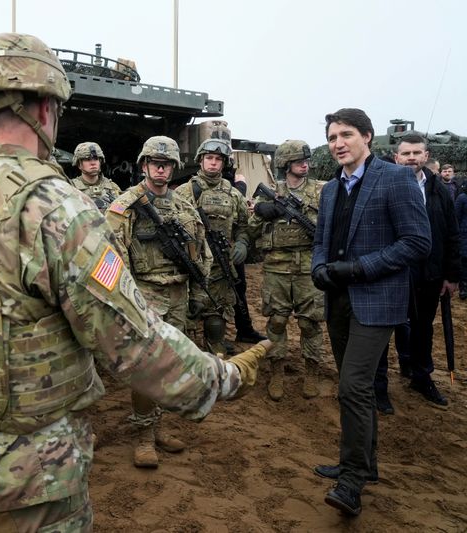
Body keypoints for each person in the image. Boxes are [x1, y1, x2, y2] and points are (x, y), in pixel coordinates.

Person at [0, 32, 271, 532]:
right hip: (31, 481)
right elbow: (133, 341)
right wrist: (225, 378)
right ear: (46, 107)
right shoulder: (52, 205)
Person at [311, 108, 431, 516]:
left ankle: (352, 482)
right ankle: (361, 463)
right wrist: (319, 268)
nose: (338, 143)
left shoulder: (395, 178)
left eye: (346, 134)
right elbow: (321, 241)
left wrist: (359, 268)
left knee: (354, 386)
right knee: (353, 387)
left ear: (367, 136)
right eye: (331, 138)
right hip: (338, 301)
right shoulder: (330, 190)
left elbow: (417, 242)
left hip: (377, 301)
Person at [105, 136, 211, 468]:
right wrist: (125, 301)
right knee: (145, 368)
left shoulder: (184, 207)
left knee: (168, 364)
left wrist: (198, 295)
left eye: (166, 165)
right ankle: (143, 435)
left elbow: (201, 254)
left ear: (174, 169)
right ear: (144, 166)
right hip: (144, 293)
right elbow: (112, 257)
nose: (161, 169)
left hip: (178, 294)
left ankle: (158, 426)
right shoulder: (125, 206)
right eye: (155, 163)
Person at [249, 140, 325, 401]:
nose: (304, 164)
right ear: (284, 164)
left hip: (308, 268)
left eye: (305, 159)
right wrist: (263, 210)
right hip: (276, 268)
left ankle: (312, 371)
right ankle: (276, 371)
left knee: (309, 322)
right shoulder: (271, 191)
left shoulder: (320, 191)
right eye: (297, 160)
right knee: (277, 321)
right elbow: (250, 227)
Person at [389, 135, 459, 406]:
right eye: (406, 153)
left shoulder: (439, 190)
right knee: (389, 326)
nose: (411, 158)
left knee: (422, 328)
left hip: (428, 273)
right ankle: (385, 379)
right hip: (393, 271)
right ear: (397, 158)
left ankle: (421, 376)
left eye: (417, 152)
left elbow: (452, 234)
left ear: (426, 156)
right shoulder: (385, 186)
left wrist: (451, 275)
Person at [175, 139, 252, 355]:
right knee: (186, 322)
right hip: (190, 267)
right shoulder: (183, 192)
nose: (213, 163)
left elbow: (244, 226)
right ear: (200, 161)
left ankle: (215, 363)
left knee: (216, 320)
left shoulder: (234, 194)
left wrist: (243, 243)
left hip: (220, 267)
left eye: (218, 159)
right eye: (209, 158)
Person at [71, 141, 121, 212]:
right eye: (87, 159)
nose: (93, 163)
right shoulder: (70, 187)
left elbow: (123, 212)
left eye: (96, 159)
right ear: (79, 164)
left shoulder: (112, 187)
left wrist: (115, 206)